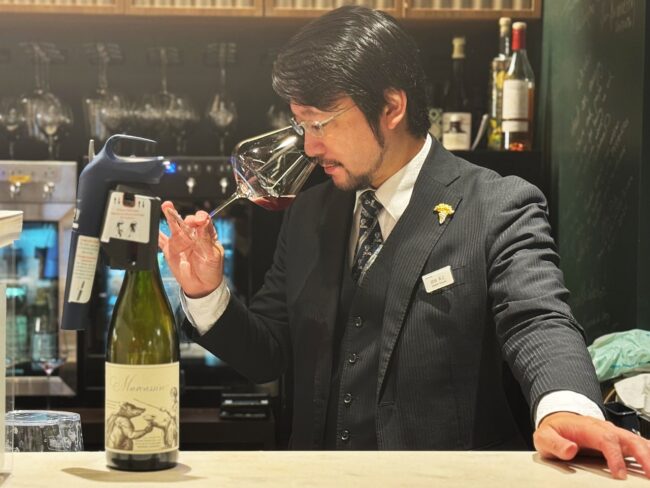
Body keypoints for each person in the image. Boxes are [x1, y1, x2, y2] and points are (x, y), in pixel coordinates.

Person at [159, 6, 650, 479]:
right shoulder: (309, 214)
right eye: (300, 126)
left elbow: (537, 318)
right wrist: (205, 292)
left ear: (392, 107)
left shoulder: (497, 205)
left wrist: (567, 407)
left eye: (320, 124)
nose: (309, 146)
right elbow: (268, 352)